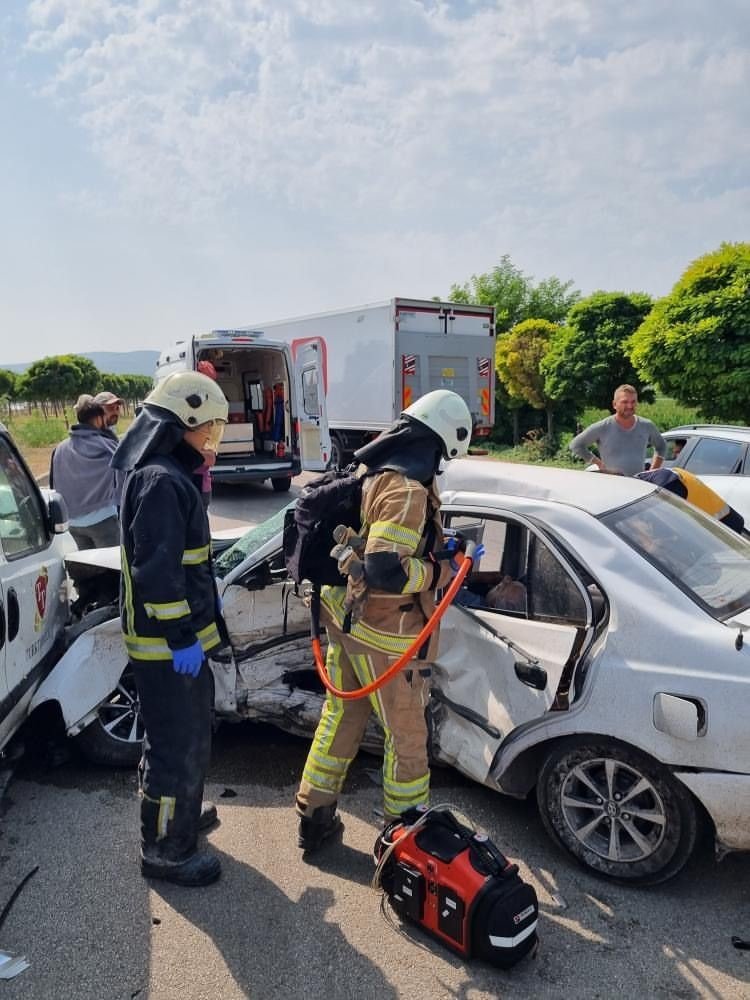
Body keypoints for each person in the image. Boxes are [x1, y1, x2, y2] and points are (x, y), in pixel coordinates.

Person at [294, 389, 477, 853]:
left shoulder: (377, 470)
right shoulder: (409, 487)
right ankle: (405, 841)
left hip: (350, 626)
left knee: (339, 719)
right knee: (408, 740)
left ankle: (314, 820)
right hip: (388, 636)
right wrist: (441, 570)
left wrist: (434, 543)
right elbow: (384, 569)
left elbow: (380, 546)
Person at [111, 371, 229, 887]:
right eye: (205, 428)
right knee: (174, 750)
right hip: (167, 647)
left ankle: (181, 811)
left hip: (177, 642)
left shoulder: (166, 474)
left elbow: (182, 562)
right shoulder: (162, 480)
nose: (210, 440)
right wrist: (182, 637)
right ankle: (165, 849)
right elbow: (156, 573)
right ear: (180, 424)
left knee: (184, 741)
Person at [49, 394, 121, 549]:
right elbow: (123, 476)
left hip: (73, 524)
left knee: (88, 570)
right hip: (104, 520)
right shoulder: (106, 445)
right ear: (98, 418)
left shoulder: (60, 449)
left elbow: (53, 484)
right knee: (113, 569)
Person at [570, 384, 666, 477]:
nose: (629, 406)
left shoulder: (646, 425)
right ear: (614, 404)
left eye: (633, 402)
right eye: (625, 402)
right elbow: (576, 445)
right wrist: (599, 464)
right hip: (612, 487)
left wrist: (651, 473)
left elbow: (661, 446)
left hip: (638, 486)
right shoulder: (603, 427)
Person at [636, 466, 745, 534]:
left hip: (724, 532)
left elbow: (667, 526)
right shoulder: (666, 474)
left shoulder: (664, 482)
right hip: (727, 524)